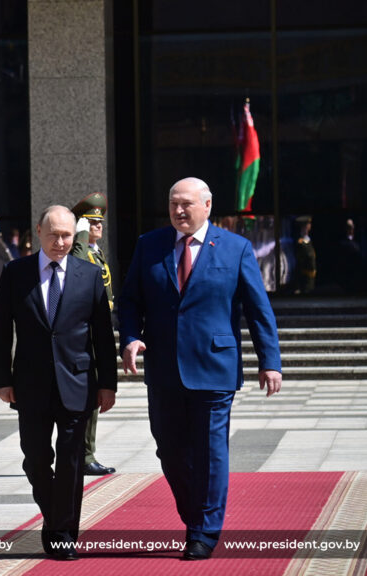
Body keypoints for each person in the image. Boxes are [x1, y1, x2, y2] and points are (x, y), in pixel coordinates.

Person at [119, 177, 282, 561]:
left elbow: (258, 310)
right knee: (169, 450)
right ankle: (196, 516)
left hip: (214, 366)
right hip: (164, 367)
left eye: (187, 204)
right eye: (173, 203)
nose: (178, 210)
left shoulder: (236, 248)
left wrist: (269, 362)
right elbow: (129, 301)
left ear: (207, 205)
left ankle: (204, 531)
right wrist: (130, 337)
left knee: (210, 451)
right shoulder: (149, 245)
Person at [0, 205, 117, 560]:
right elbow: (2, 330)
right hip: (30, 384)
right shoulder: (16, 273)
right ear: (38, 232)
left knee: (71, 461)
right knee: (35, 459)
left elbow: (102, 336)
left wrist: (108, 384)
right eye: (53, 235)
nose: (60, 242)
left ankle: (62, 535)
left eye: (66, 235)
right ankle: (56, 517)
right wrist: (1, 379)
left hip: (77, 381)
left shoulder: (89, 275)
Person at [69, 192, 116, 476]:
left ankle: (86, 453)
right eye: (91, 222)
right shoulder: (81, 251)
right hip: (85, 332)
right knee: (87, 396)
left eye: (99, 222)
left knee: (95, 395)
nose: (98, 226)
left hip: (99, 329)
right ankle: (84, 455)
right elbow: (76, 267)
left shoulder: (96, 253)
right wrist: (81, 235)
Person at [294, 216, 315, 294]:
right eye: (308, 224)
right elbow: (299, 263)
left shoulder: (308, 240)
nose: (309, 225)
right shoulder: (301, 243)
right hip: (304, 279)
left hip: (310, 278)